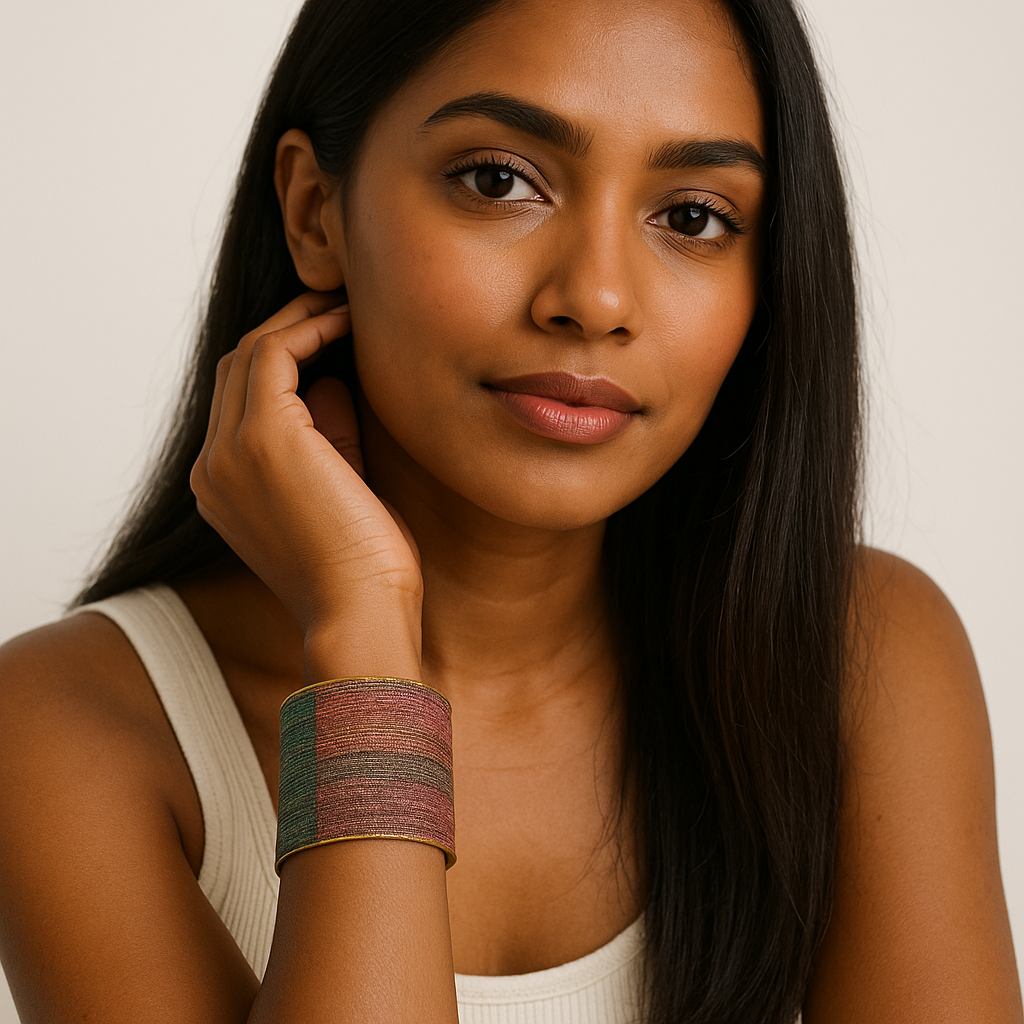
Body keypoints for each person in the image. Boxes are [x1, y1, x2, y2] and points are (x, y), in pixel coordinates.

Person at [0, 0, 1020, 1020]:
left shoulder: (861, 657)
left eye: (692, 217)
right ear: (315, 212)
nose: (597, 298)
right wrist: (362, 633)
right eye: (498, 181)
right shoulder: (67, 729)